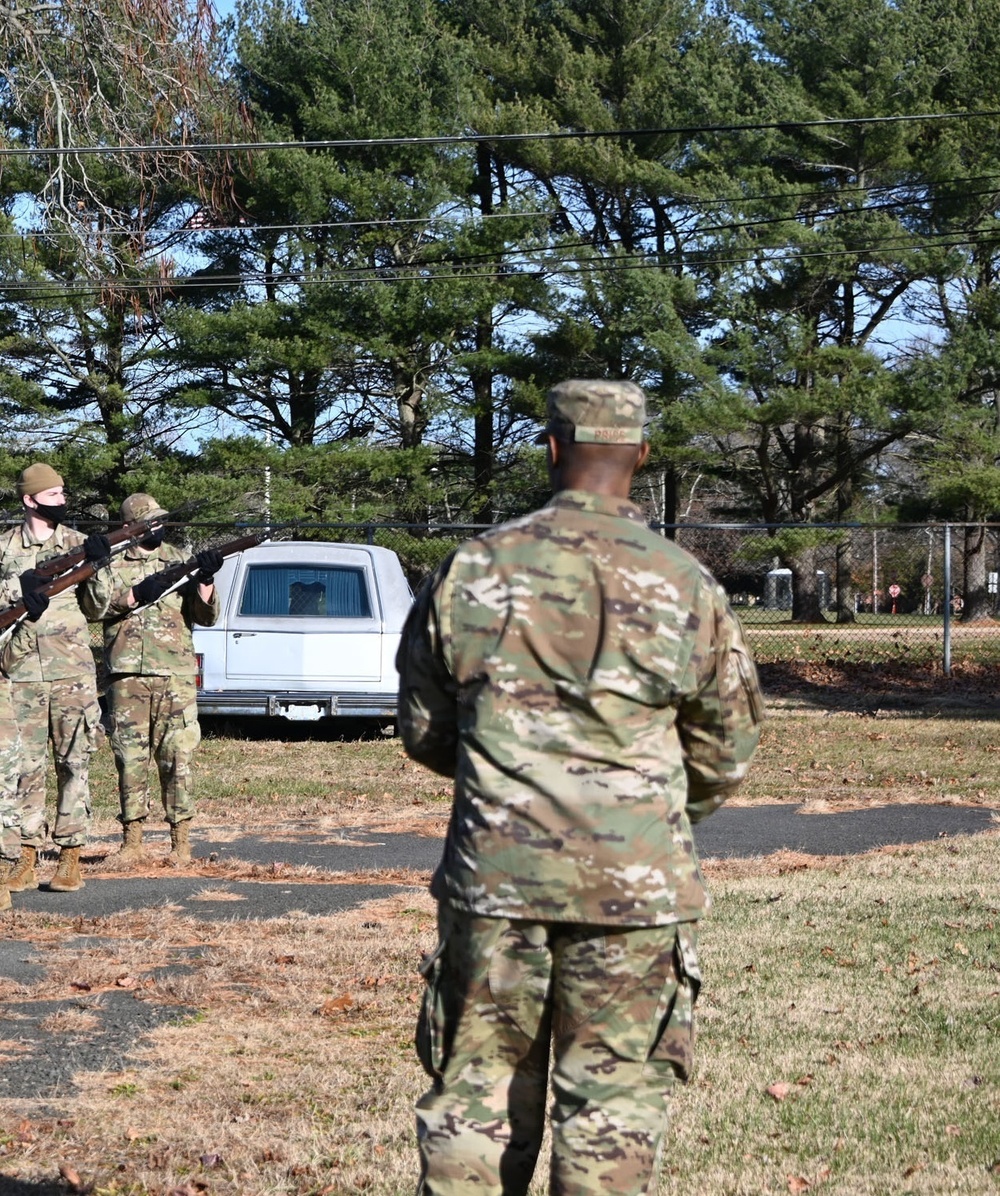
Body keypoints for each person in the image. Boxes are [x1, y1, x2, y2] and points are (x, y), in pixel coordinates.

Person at [396, 379, 764, 1196]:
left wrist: (510, 788)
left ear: (553, 449)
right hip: (635, 888)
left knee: (477, 1094)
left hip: (497, 880)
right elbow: (726, 744)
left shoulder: (474, 569)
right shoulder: (686, 582)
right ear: (640, 456)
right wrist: (642, 817)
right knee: (613, 1104)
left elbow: (425, 729)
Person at [86, 493, 222, 866]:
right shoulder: (112, 563)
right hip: (127, 674)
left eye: (161, 519)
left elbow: (205, 616)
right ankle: (132, 841)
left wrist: (205, 580)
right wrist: (130, 596)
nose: (158, 526)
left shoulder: (179, 559)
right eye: (150, 520)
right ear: (131, 526)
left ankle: (181, 842)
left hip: (175, 673)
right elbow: (95, 607)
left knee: (177, 757)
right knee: (129, 758)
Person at [0, 463, 113, 894]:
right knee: (25, 770)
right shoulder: (5, 549)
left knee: (75, 762)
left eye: (63, 493)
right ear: (29, 500)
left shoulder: (81, 544)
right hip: (20, 674)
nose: (62, 501)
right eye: (53, 495)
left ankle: (70, 856)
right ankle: (25, 856)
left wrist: (100, 565)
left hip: (73, 673)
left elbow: (100, 609)